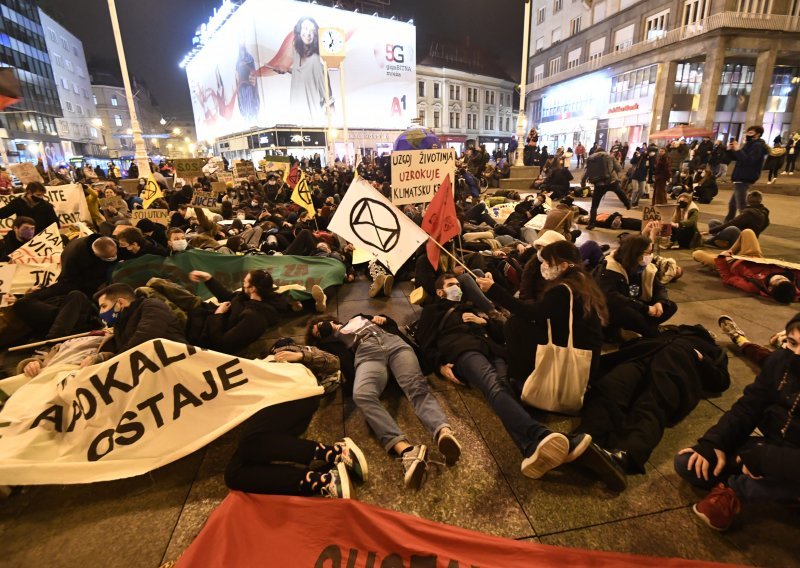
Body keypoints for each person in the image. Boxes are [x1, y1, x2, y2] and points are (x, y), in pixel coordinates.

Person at [417, 270, 592, 480]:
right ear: (440, 292)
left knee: (505, 386)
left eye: (458, 284)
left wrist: (485, 323)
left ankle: (530, 448)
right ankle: (540, 434)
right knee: (493, 386)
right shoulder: (432, 311)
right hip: (464, 352)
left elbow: (501, 333)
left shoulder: (470, 307)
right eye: (451, 285)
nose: (457, 288)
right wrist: (440, 367)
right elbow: (424, 344)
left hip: (493, 349)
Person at [674, 314, 800, 531]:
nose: (797, 353)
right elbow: (750, 405)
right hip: (774, 448)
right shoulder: (781, 360)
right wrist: (715, 442)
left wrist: (765, 460)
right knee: (689, 463)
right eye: (793, 342)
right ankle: (779, 490)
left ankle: (739, 491)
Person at [308, 314, 461, 490]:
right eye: (318, 333)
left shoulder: (357, 317)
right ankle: (406, 451)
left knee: (416, 387)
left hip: (393, 343)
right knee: (362, 394)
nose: (321, 330)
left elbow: (391, 324)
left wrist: (384, 319)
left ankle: (443, 432)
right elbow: (328, 360)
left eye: (319, 326)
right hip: (366, 353)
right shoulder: (332, 342)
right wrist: (327, 337)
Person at [576, 324, 730, 491]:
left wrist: (702, 360)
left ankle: (625, 455)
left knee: (654, 403)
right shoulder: (668, 331)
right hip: (644, 355)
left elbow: (722, 381)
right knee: (611, 387)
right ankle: (585, 438)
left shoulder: (714, 349)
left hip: (677, 361)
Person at [224, 337, 366, 500]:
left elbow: (334, 363)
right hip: (267, 411)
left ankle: (336, 452)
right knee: (234, 473)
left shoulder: (301, 351)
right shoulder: (258, 363)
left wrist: (301, 356)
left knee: (250, 443)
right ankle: (323, 481)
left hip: (295, 394)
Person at [478, 240, 607, 384]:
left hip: (575, 354)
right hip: (583, 346)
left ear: (563, 265)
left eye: (547, 262)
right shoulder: (581, 279)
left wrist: (494, 289)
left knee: (515, 326)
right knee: (519, 324)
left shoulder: (564, 289)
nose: (543, 265)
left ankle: (522, 379)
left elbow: (532, 313)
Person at [12, 235, 118, 340]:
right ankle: (66, 323)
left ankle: (56, 336)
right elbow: (67, 282)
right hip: (67, 302)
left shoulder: (111, 246)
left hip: (79, 301)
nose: (114, 257)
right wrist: (31, 293)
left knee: (76, 296)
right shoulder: (73, 257)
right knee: (21, 303)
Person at [78, 283, 187, 367]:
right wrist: (103, 357)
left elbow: (145, 338)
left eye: (104, 306)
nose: (101, 312)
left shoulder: (151, 305)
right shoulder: (120, 326)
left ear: (120, 303)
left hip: (179, 362)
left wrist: (111, 360)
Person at [186, 269, 288, 355]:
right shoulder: (247, 297)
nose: (243, 285)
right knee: (170, 289)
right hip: (200, 316)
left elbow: (222, 344)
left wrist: (218, 314)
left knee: (171, 306)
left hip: (198, 332)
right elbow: (229, 297)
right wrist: (208, 279)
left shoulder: (254, 318)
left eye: (245, 282)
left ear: (253, 288)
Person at [595, 234, 677, 338]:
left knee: (670, 306)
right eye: (648, 253)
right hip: (614, 309)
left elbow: (659, 287)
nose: (650, 256)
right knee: (631, 314)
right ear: (635, 253)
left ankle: (639, 329)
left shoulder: (643, 266)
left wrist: (660, 302)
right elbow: (612, 298)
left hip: (635, 303)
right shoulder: (610, 268)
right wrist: (645, 308)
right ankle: (651, 333)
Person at [692, 229, 799, 304]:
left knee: (697, 254)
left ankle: (724, 252)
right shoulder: (791, 282)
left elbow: (728, 278)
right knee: (747, 232)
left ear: (770, 288)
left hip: (732, 264)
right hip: (755, 257)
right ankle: (730, 250)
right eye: (785, 279)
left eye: (779, 280)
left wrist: (722, 259)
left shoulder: (754, 286)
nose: (782, 277)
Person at [284, 16, 328, 123]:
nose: (308, 33)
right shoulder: (296, 53)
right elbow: (302, 72)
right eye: (305, 28)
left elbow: (325, 93)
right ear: (299, 31)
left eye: (312, 31)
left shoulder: (315, 60)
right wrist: (287, 70)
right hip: (296, 118)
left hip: (311, 119)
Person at [725, 126, 768, 223]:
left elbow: (749, 160)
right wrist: (730, 150)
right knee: (733, 204)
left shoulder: (758, 146)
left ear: (758, 134)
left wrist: (738, 150)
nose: (747, 134)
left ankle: (746, 225)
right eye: (747, 132)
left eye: (751, 133)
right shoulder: (749, 144)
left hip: (745, 177)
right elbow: (738, 158)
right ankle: (727, 224)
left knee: (741, 205)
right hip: (740, 176)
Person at [581, 147, 631, 230]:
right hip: (611, 182)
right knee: (619, 191)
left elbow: (587, 172)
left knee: (594, 206)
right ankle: (627, 203)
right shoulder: (609, 156)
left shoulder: (591, 159)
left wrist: (583, 183)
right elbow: (619, 168)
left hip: (599, 184)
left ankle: (591, 224)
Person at [703, 190, 769, 249]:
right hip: (749, 237)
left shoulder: (748, 213)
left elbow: (731, 223)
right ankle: (723, 241)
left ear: (747, 200)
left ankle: (709, 241)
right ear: (760, 200)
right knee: (714, 222)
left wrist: (710, 231)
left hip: (743, 239)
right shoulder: (764, 211)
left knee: (732, 229)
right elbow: (766, 224)